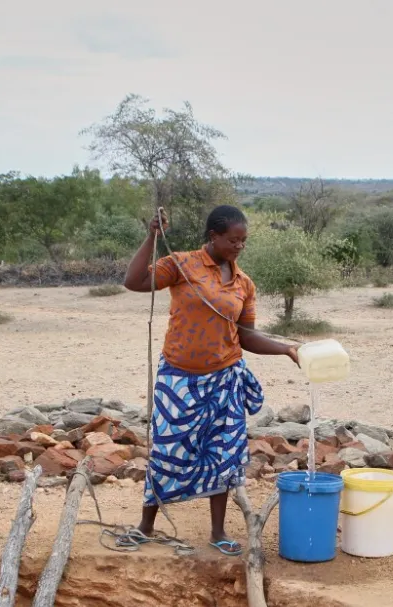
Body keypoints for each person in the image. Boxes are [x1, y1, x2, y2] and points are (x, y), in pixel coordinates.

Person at [123, 205, 298, 555]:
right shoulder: (182, 265)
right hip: (178, 380)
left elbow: (246, 336)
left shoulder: (243, 284)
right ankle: (146, 525)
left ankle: (218, 532)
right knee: (168, 452)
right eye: (233, 239)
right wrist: (151, 236)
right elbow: (134, 281)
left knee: (223, 455)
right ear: (213, 236)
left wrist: (284, 349)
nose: (239, 246)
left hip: (225, 379)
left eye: (244, 241)